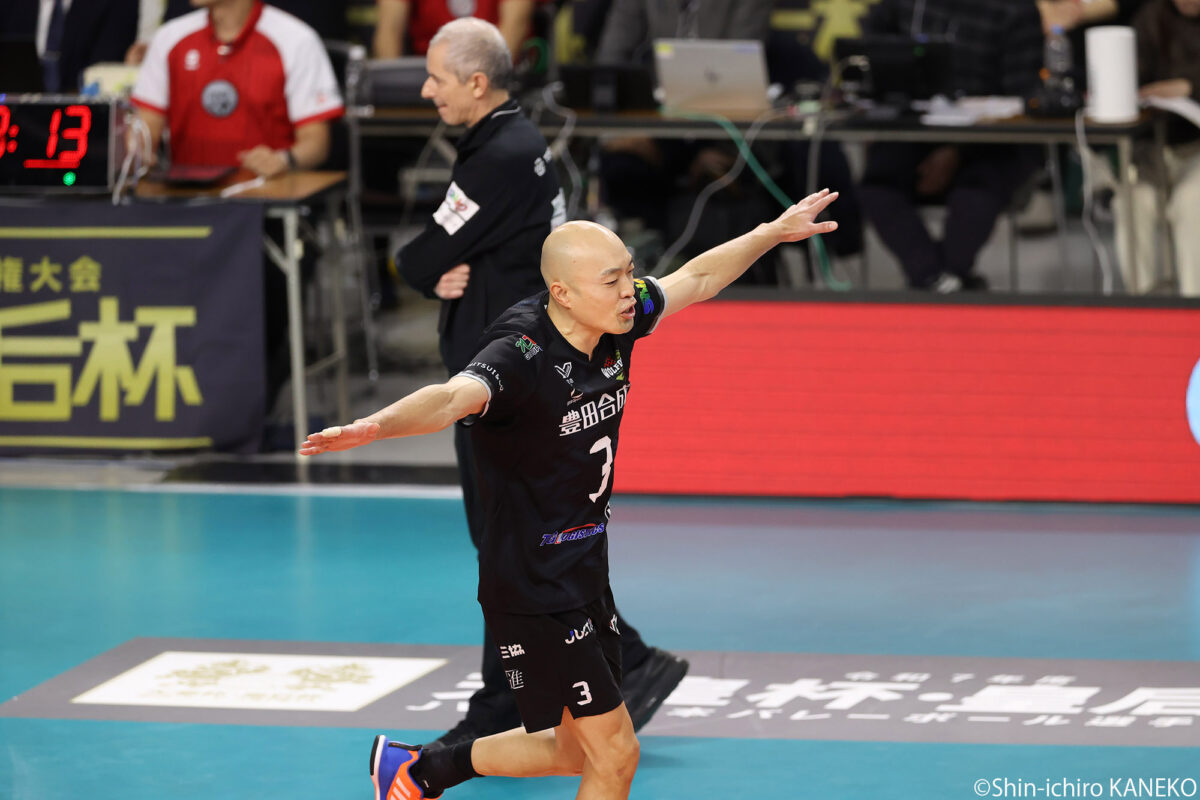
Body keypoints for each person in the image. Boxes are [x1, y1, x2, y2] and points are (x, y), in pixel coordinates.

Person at [301, 189, 841, 800]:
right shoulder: (521, 353)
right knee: (616, 756)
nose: (629, 291)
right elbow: (451, 398)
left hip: (584, 570)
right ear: (562, 293)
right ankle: (422, 770)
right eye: (612, 281)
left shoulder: (618, 320)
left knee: (570, 751)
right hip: (533, 584)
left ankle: (421, 770)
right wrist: (375, 426)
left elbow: (697, 278)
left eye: (629, 273)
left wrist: (771, 231)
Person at [392, 17, 689, 750]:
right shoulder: (518, 144)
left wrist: (430, 270)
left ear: (477, 83)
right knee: (534, 541)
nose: (426, 90)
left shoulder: (496, 157)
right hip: (527, 375)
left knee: (508, 545)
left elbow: (419, 256)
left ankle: (505, 705)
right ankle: (625, 664)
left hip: (508, 384)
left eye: (436, 78)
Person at [130, 0, 344, 416]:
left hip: (262, 213)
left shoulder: (294, 39)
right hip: (186, 208)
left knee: (266, 297)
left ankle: (243, 417)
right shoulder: (171, 38)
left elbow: (317, 143)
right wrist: (139, 152)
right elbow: (144, 132)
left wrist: (284, 159)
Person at [856, 0, 1044, 290]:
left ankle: (943, 278)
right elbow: (872, 45)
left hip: (992, 138)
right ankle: (937, 280)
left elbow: (1020, 98)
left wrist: (958, 149)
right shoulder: (907, 5)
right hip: (917, 127)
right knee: (877, 185)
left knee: (975, 193)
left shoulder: (1014, 10)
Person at [1095, 0, 1200, 294]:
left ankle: (1193, 303)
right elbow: (1130, 74)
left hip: (1196, 150)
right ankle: (1142, 303)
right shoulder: (1150, 17)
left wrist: (1190, 86)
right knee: (1131, 203)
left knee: (1193, 203)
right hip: (1153, 150)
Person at [0, 0, 139, 93]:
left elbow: (103, 72)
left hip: (80, 116)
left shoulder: (118, 4)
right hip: (14, 114)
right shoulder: (9, 4)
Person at [373, 0, 536, 59]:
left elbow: (515, 27)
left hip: (494, 79)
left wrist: (487, 81)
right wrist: (394, 88)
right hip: (429, 77)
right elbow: (389, 30)